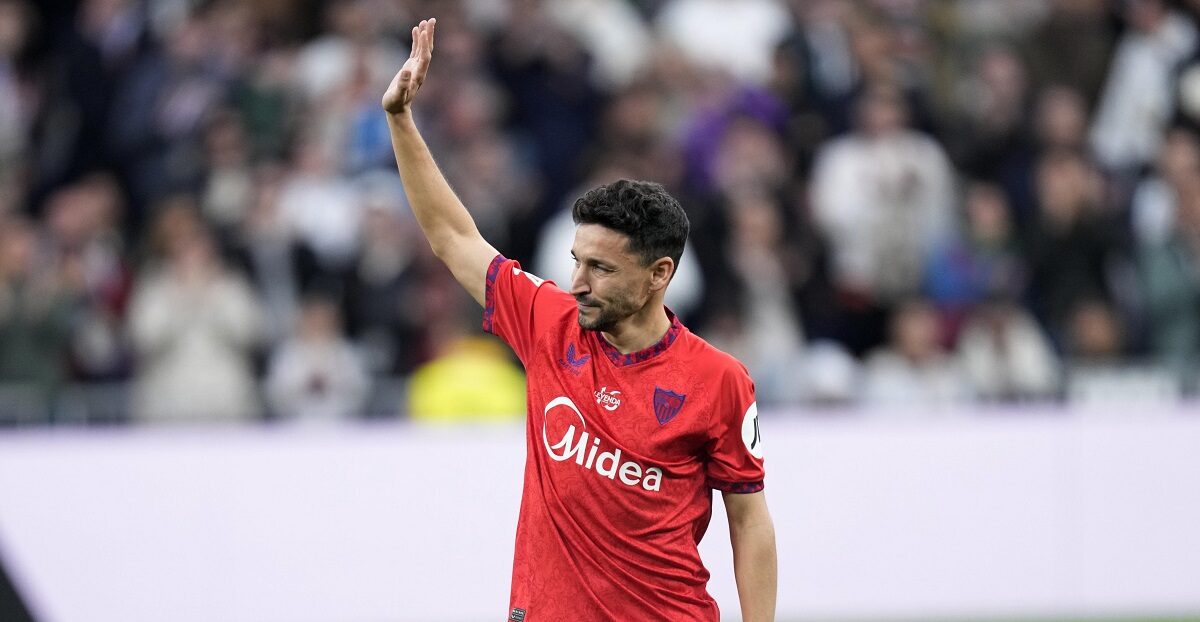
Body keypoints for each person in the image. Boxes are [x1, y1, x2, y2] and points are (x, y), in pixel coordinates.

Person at [382, 18, 776, 622]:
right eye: (576, 261)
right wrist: (402, 122)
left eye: (601, 268)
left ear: (658, 275)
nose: (577, 283)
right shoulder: (549, 323)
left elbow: (748, 522)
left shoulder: (718, 380)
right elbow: (452, 236)